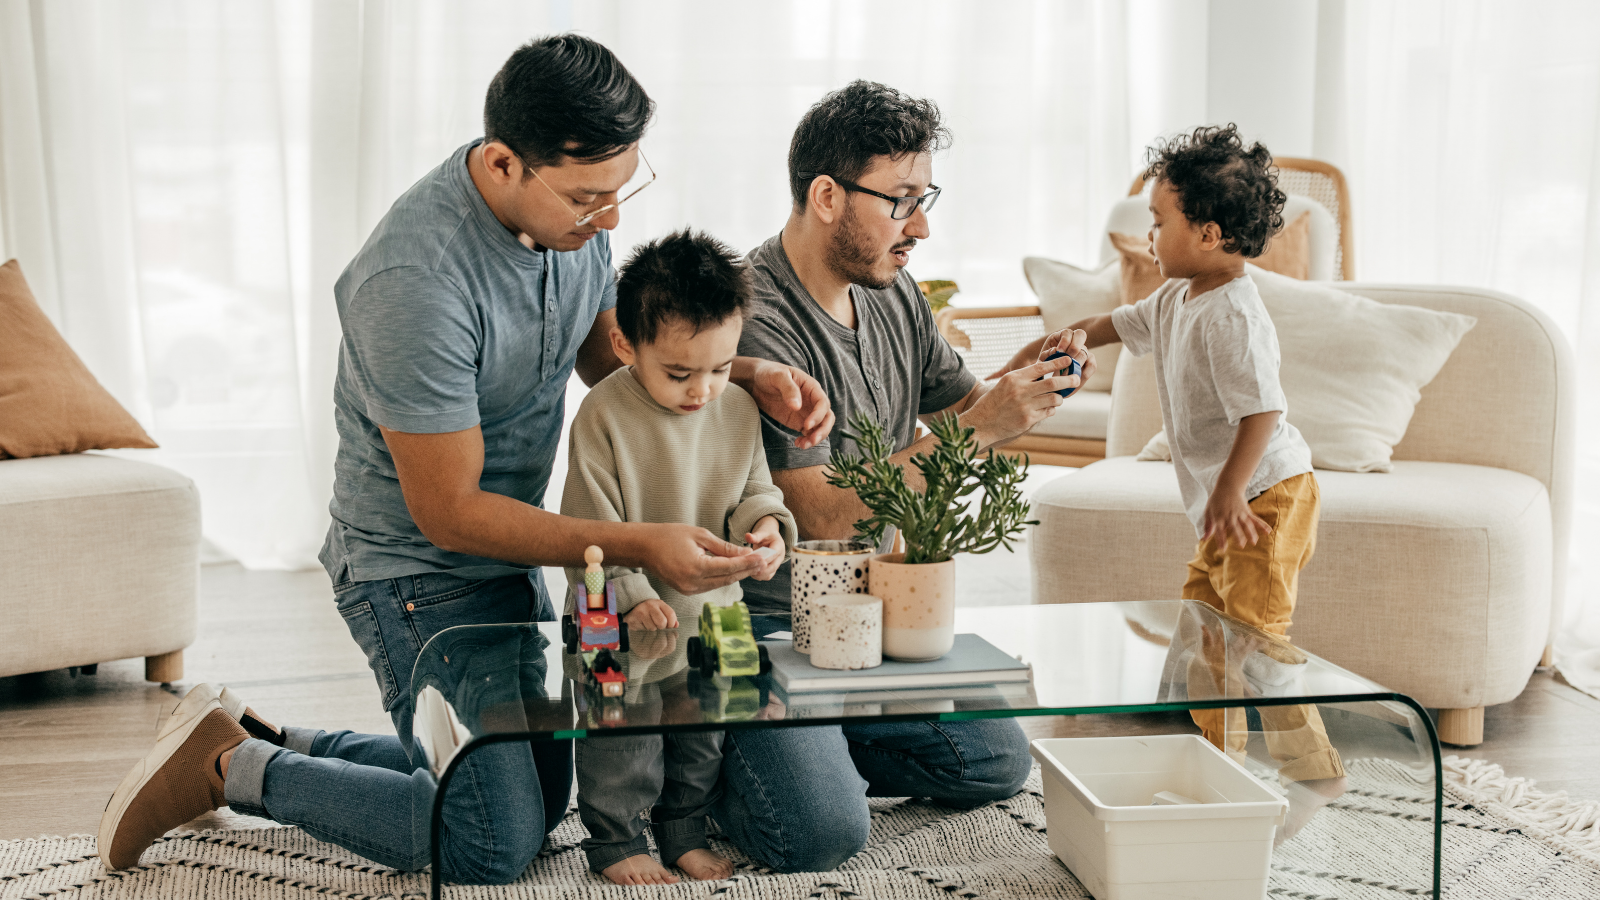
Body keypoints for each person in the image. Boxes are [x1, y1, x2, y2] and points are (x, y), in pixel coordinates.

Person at [98, 35, 831, 884]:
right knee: (493, 840)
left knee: (554, 787)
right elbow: (447, 511)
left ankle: (267, 736)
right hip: (414, 577)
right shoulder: (414, 282)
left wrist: (743, 372)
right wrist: (641, 545)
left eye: (624, 188)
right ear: (501, 163)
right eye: (591, 197)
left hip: (518, 555)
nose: (612, 220)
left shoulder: (567, 222)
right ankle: (233, 769)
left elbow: (609, 359)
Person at [717, 80, 1095, 872]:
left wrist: (1035, 380)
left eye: (925, 199)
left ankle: (820, 744)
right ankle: (729, 757)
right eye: (901, 201)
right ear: (826, 196)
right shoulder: (752, 317)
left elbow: (970, 409)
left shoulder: (894, 293)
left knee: (997, 761)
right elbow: (818, 515)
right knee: (820, 833)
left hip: (871, 621)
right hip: (765, 629)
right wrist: (981, 426)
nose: (921, 226)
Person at [1059, 124, 1347, 836]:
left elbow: (1262, 411)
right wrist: (1066, 339)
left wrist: (1226, 490)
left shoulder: (1234, 314)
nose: (1149, 238)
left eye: (1159, 224)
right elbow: (1112, 323)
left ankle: (1312, 777)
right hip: (1237, 501)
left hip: (1266, 499)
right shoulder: (1176, 298)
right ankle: (1204, 773)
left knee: (1249, 645)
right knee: (1203, 638)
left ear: (1211, 233)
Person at [560, 230, 796, 885]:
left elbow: (756, 490)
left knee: (708, 728)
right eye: (679, 372)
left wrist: (769, 529)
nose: (703, 389)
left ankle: (683, 828)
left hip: (715, 605)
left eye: (721, 368)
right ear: (624, 345)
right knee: (620, 728)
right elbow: (587, 530)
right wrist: (636, 599)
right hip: (615, 608)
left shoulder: (739, 408)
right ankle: (615, 841)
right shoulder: (602, 415)